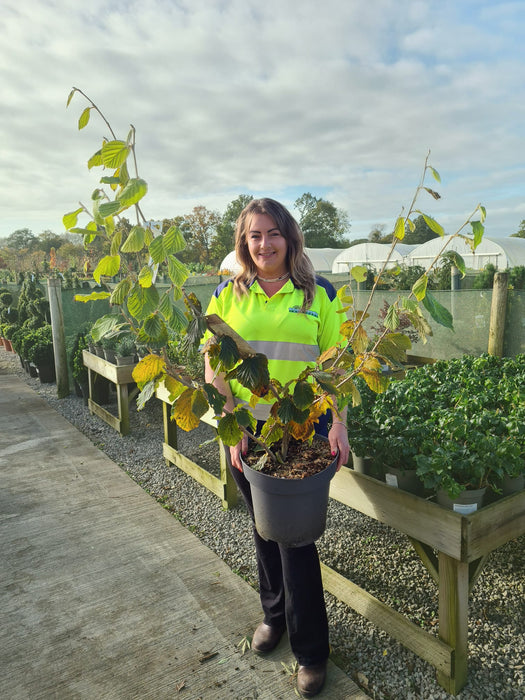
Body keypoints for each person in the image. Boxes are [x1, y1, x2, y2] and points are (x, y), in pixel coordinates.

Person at [204, 198, 349, 697]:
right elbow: (214, 366)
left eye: (273, 234)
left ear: (290, 237)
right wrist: (231, 421)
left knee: (296, 538)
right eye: (253, 236)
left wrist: (339, 424)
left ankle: (310, 651)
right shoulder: (227, 295)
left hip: (304, 432)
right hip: (251, 431)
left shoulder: (319, 293)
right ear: (243, 243)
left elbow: (338, 364)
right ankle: (274, 617)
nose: (263, 244)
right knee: (264, 529)